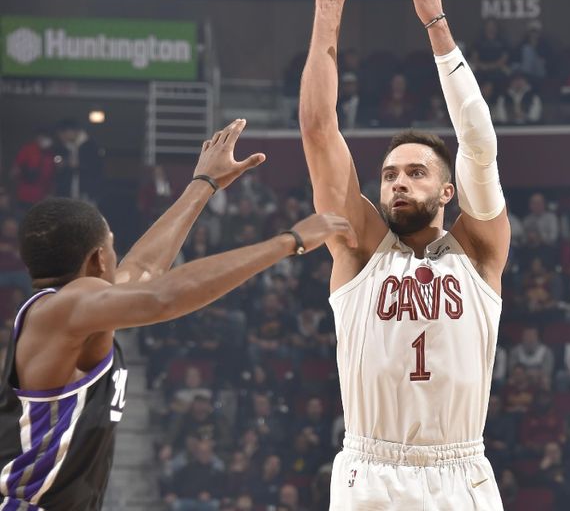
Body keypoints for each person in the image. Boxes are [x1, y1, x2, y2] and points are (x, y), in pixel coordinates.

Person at [0, 119, 353, 510]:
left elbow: (147, 269)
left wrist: (203, 184)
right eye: (113, 247)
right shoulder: (63, 308)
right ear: (99, 258)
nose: (119, 258)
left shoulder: (67, 315)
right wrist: (290, 241)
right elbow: (160, 297)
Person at [298, 0, 510, 509]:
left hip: (460, 468)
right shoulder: (360, 250)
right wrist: (328, 6)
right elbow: (319, 131)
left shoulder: (481, 251)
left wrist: (437, 25)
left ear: (447, 189)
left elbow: (479, 141)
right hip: (372, 470)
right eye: (390, 174)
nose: (397, 181)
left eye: (415, 172)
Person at [10, 128, 55, 209]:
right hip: (25, 194)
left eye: (47, 137)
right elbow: (15, 170)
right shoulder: (28, 149)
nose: (45, 140)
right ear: (37, 137)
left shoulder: (50, 154)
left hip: (42, 195)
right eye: (42, 137)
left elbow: (50, 175)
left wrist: (49, 192)